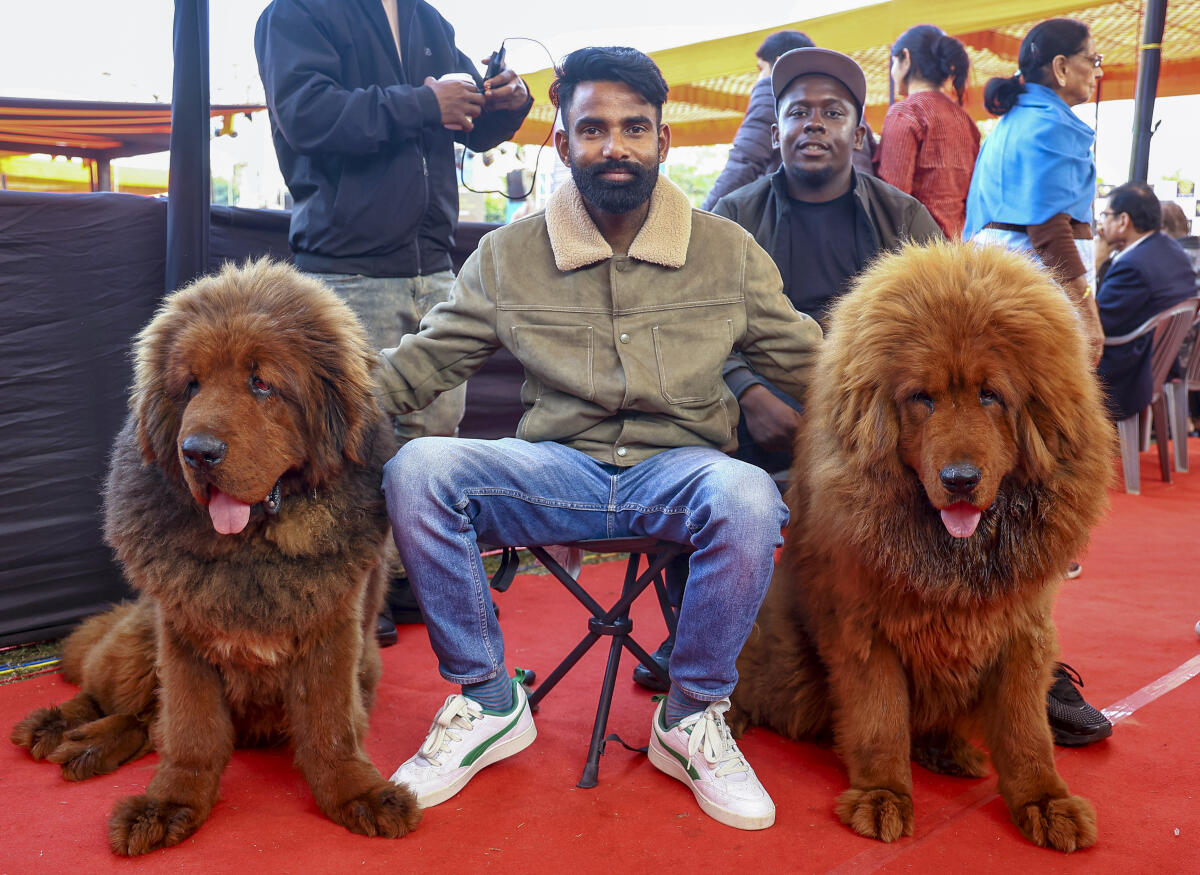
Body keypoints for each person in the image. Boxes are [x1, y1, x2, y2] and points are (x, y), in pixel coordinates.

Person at [376, 46, 823, 831]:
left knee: (748, 493)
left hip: (680, 472)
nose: (614, 145)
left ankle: (689, 716)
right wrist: (297, 409)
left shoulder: (727, 253)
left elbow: (819, 367)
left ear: (663, 141)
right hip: (555, 470)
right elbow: (421, 365)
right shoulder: (508, 255)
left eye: (633, 128)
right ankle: (486, 698)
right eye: (593, 129)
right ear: (561, 144)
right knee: (418, 468)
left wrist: (922, 403)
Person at [255, 0, 533, 643]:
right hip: (346, 266)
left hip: (434, 262)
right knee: (354, 441)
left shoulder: (430, 21)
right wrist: (422, 103)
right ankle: (356, 588)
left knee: (434, 432)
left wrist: (505, 100)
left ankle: (409, 580)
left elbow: (471, 125)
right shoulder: (296, 11)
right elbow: (306, 115)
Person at [712, 47, 941, 474]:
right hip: (761, 408)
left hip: (878, 406)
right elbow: (699, 322)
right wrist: (748, 393)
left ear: (858, 137)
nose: (814, 123)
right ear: (776, 133)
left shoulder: (904, 216)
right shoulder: (734, 216)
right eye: (798, 112)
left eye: (833, 114)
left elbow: (943, 323)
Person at [963, 17, 1105, 365]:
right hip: (1033, 291)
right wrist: (1087, 312)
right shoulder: (1047, 124)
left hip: (1008, 285)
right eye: (1092, 60)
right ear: (1061, 67)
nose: (1097, 72)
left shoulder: (1021, 120)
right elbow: (1048, 230)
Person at [700, 32, 876, 212]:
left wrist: (702, 219)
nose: (814, 123)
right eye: (799, 113)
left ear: (778, 63)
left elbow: (744, 161)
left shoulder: (774, 91)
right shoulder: (848, 100)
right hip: (858, 210)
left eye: (761, 69)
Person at [1093, 182, 1196, 421]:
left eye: (1105, 215)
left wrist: (1096, 261)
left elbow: (1094, 326)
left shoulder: (1133, 267)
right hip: (1157, 367)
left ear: (1123, 221)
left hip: (1125, 375)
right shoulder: (1170, 249)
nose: (1101, 223)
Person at [875, 25, 979, 239]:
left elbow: (893, 199)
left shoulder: (906, 112)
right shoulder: (965, 120)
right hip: (956, 251)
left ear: (906, 57)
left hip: (916, 255)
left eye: (893, 62)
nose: (893, 72)